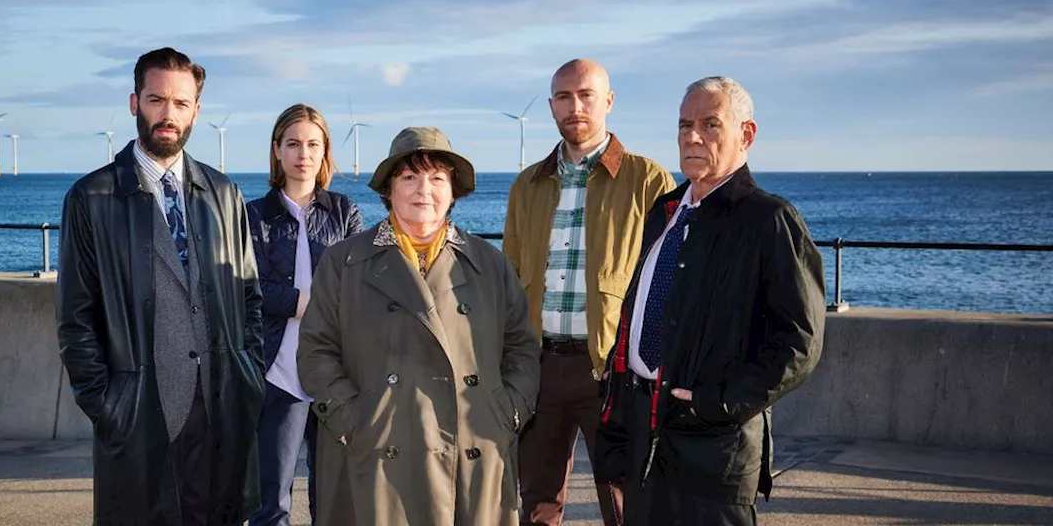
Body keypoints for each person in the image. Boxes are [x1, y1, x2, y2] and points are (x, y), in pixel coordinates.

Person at [594, 76, 827, 525]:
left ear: (747, 134)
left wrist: (716, 403)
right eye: (684, 125)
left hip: (713, 454)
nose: (692, 136)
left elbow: (800, 344)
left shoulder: (769, 221)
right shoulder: (664, 213)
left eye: (710, 124)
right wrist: (619, 434)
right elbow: (635, 324)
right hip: (645, 442)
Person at [57, 47, 265, 525]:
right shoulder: (92, 198)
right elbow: (75, 320)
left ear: (197, 110)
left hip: (219, 410)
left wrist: (246, 377)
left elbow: (249, 298)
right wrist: (109, 406)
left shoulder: (224, 194)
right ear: (134, 103)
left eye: (181, 103)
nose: (168, 115)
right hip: (140, 416)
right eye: (156, 100)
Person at [298, 126, 541, 526]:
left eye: (437, 178)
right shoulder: (345, 262)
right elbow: (315, 351)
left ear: (453, 191)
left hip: (472, 449)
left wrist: (506, 413)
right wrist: (354, 421)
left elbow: (522, 349)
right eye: (409, 177)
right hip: (376, 453)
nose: (423, 189)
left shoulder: (489, 263)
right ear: (389, 190)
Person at [502, 58, 676, 525]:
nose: (574, 106)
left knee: (623, 503)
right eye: (563, 96)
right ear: (551, 106)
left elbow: (666, 282)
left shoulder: (649, 181)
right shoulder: (527, 185)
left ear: (609, 101)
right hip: (539, 367)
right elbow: (510, 277)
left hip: (611, 372)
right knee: (536, 503)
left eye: (585, 95)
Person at [245, 104, 365, 525]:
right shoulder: (253, 216)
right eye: (293, 143)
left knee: (332, 502)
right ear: (277, 150)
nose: (303, 153)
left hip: (334, 371)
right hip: (278, 373)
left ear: (325, 151)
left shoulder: (344, 212)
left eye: (313, 144)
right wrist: (305, 302)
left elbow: (359, 284)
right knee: (271, 502)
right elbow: (249, 286)